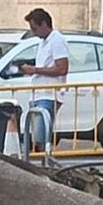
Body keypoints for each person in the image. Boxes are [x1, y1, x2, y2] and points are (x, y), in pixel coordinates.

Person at [21, 8, 69, 147]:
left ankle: (44, 162)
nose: (34, 33)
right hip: (39, 94)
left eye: (35, 29)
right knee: (37, 136)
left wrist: (35, 70)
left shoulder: (57, 40)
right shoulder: (44, 41)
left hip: (49, 95)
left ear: (43, 24)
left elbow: (62, 68)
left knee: (41, 137)